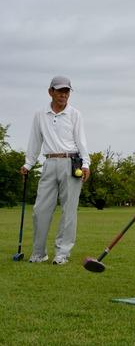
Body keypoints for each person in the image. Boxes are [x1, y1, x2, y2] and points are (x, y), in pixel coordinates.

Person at [20, 76, 90, 265]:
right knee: (40, 210)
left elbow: (81, 141)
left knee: (69, 211)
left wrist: (86, 164)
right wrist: (28, 163)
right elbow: (35, 141)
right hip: (49, 163)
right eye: (59, 91)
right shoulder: (40, 114)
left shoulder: (75, 114)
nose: (63, 95)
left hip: (71, 162)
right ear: (50, 92)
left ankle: (62, 253)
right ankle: (38, 253)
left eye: (66, 91)